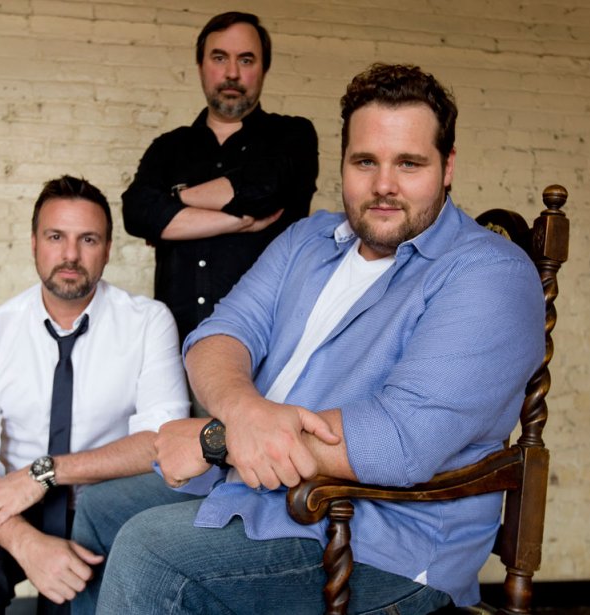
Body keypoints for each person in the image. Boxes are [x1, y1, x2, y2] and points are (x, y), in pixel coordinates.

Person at [72, 64, 547, 613]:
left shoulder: (488, 273)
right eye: (365, 161)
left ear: (448, 166)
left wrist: (216, 439)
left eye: (409, 163)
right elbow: (219, 334)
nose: (384, 185)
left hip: (372, 541)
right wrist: (243, 411)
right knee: (100, 510)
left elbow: (399, 439)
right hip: (261, 487)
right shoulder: (309, 238)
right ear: (343, 162)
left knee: (149, 552)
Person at [0, 175, 192, 614]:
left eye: (87, 239)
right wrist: (26, 543)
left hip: (106, 498)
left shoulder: (148, 323)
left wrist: (45, 473)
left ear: (107, 249)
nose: (70, 255)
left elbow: (162, 440)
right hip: (15, 502)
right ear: (34, 243)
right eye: (56, 237)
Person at [121, 11, 319, 344]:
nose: (232, 73)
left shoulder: (292, 136)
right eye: (219, 58)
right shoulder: (168, 148)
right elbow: (137, 212)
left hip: (266, 346)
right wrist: (238, 221)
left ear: (264, 68)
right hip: (176, 347)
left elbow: (262, 191)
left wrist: (174, 202)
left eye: (246, 60)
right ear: (200, 66)